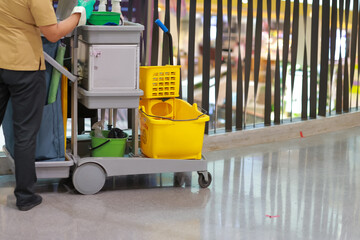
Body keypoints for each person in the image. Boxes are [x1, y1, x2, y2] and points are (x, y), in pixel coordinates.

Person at [0, 0, 95, 211]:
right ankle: (25, 196)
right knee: (25, 133)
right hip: (24, 68)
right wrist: (80, 14)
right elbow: (53, 33)